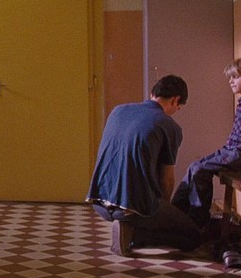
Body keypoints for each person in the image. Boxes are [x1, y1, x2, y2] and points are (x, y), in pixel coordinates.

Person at [86, 75, 202, 257]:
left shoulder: (118, 111)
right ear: (175, 100)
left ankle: (129, 225)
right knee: (193, 237)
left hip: (99, 201)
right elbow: (167, 180)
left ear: (152, 93)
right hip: (134, 207)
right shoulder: (168, 125)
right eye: (179, 107)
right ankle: (135, 233)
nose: (176, 111)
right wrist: (162, 212)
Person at [171, 58, 241, 229]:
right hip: (231, 151)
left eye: (235, 77)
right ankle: (175, 213)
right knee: (194, 166)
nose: (230, 81)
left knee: (200, 170)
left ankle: (198, 220)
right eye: (230, 77)